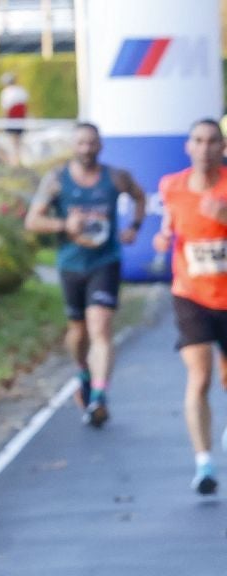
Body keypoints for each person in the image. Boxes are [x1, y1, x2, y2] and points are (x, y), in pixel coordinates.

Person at [25, 123, 146, 427]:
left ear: (100, 145)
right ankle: (83, 372)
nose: (86, 149)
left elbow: (140, 197)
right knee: (78, 332)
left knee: (101, 327)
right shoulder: (56, 180)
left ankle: (99, 397)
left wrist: (134, 227)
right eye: (81, 143)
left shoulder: (115, 177)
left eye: (92, 143)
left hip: (105, 261)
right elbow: (32, 220)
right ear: (73, 146)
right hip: (71, 264)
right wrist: (64, 225)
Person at [154, 118, 227, 496]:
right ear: (188, 147)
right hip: (191, 295)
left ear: (222, 148)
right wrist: (163, 236)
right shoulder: (172, 186)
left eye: (213, 141)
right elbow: (170, 223)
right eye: (198, 140)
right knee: (199, 376)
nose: (205, 148)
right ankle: (204, 463)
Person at [0, 71, 29, 167]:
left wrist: (2, 121)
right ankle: (17, 159)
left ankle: (15, 161)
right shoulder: (21, 90)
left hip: (12, 120)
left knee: (13, 141)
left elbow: (5, 109)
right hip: (20, 120)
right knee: (18, 141)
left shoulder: (6, 92)